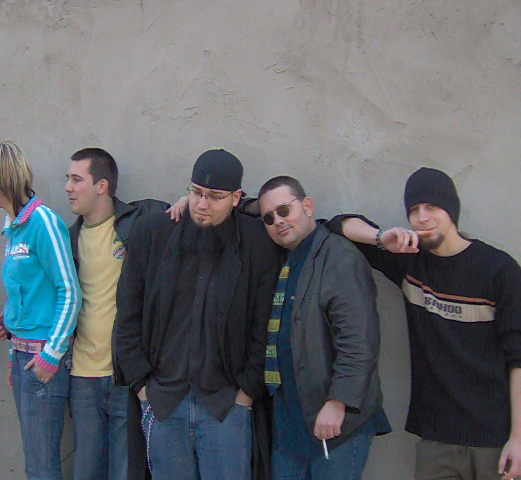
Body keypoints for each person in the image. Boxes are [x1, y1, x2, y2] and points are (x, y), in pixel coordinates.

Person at [328, 167, 521, 480]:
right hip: (436, 439)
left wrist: (518, 438)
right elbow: (337, 226)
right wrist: (380, 239)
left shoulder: (499, 269)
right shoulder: (410, 262)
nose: (422, 218)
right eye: (414, 210)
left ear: (452, 209)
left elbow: (518, 358)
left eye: (432, 207)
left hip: (494, 440)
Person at [115, 149, 281, 480]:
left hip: (226, 407)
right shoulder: (153, 233)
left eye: (215, 196)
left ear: (236, 198)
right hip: (163, 402)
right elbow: (127, 313)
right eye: (196, 192)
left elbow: (263, 325)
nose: (202, 204)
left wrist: (246, 394)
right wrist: (141, 387)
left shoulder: (256, 243)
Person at [257, 176, 391, 480]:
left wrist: (338, 401)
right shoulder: (286, 257)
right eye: (269, 218)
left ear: (307, 206)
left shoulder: (339, 256)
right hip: (289, 426)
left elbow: (359, 340)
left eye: (284, 210)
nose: (278, 221)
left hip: (336, 425)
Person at [0, 141, 81, 480]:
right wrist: (10, 334)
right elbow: (25, 293)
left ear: (1, 178)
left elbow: (69, 290)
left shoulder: (43, 222)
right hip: (23, 357)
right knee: (35, 461)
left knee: (42, 465)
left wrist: (51, 354)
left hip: (42, 358)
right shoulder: (12, 226)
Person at [64, 147, 170, 480]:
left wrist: (185, 202)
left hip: (125, 375)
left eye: (76, 179)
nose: (68, 187)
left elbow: (191, 212)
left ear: (102, 186)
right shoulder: (68, 239)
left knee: (126, 471)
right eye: (68, 179)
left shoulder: (138, 223)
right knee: (86, 470)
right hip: (82, 375)